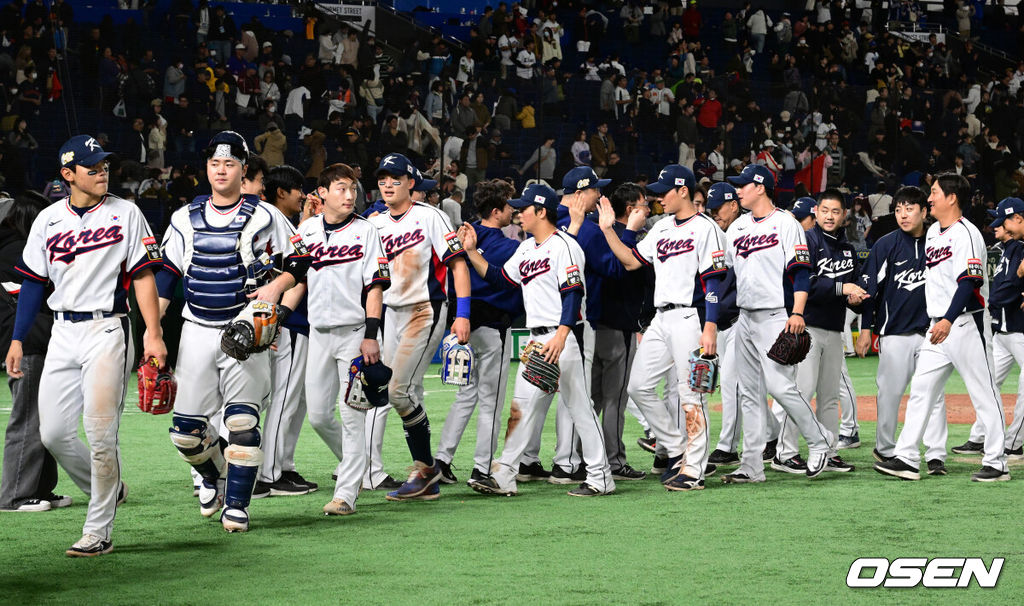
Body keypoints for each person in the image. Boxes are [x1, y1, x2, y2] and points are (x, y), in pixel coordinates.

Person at [5, 135, 166, 555]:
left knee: (100, 433)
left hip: (107, 331)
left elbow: (144, 275)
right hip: (61, 332)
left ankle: (98, 530)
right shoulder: (48, 220)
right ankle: (107, 488)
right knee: (54, 432)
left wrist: (153, 333)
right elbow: (34, 283)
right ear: (67, 174)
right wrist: (18, 338)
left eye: (104, 166)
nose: (102, 173)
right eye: (92, 167)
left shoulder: (126, 213)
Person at [157, 131, 311, 532]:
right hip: (196, 329)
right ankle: (213, 476)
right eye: (214, 164)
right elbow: (167, 275)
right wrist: (152, 331)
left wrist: (276, 288)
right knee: (186, 433)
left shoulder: (266, 215)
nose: (221, 170)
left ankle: (237, 506)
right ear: (206, 169)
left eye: (230, 164)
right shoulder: (182, 218)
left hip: (246, 327)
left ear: (244, 170)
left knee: (242, 422)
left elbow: (298, 262)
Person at [460, 183, 615, 497]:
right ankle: (504, 474)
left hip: (565, 336)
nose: (518, 215)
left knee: (579, 407)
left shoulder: (564, 246)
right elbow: (501, 279)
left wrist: (561, 334)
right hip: (535, 340)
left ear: (541, 211)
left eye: (523, 209)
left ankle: (601, 477)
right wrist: (472, 252)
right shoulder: (527, 247)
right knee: (521, 408)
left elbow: (573, 292)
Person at [874, 174, 1010, 482]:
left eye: (934, 192)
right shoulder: (934, 231)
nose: (929, 197)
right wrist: (940, 320)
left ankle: (997, 460)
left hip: (965, 322)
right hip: (938, 327)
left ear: (952, 197)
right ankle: (907, 458)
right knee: (921, 390)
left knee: (983, 392)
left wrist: (948, 318)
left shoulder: (967, 233)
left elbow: (970, 281)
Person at [598, 166, 726, 490]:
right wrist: (608, 230)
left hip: (689, 317)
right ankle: (675, 445)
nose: (658, 197)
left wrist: (710, 326)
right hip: (660, 318)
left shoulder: (705, 228)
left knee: (690, 394)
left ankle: (694, 470)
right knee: (637, 386)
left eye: (664, 191)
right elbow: (630, 261)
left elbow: (714, 281)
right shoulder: (662, 228)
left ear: (683, 191)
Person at [719, 164, 837, 484]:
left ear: (760, 187)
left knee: (780, 387)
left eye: (743, 185)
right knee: (750, 393)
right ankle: (752, 466)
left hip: (775, 316)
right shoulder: (738, 227)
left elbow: (800, 271)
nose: (738, 190)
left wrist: (797, 313)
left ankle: (819, 441)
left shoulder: (786, 223)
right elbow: (726, 275)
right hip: (744, 318)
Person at [364, 153, 472, 501]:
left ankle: (425, 469)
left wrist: (463, 313)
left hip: (424, 310)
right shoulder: (375, 224)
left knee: (397, 391)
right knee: (397, 391)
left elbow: (458, 265)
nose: (388, 184)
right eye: (383, 178)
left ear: (411, 182)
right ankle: (427, 476)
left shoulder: (431, 217)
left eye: (395, 178)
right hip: (390, 313)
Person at [298, 163, 390, 515]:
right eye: (340, 188)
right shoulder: (306, 230)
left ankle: (346, 493)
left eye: (352, 188)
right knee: (319, 415)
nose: (349, 195)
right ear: (322, 193)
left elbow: (375, 286)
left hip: (353, 332)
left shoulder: (366, 232)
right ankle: (357, 464)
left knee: (352, 415)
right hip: (318, 333)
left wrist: (371, 335)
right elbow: (296, 277)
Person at [433, 179, 524, 484]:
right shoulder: (508, 246)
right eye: (510, 204)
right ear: (497, 211)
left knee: (464, 396)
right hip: (492, 326)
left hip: (462, 323)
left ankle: (442, 461)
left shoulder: (462, 234)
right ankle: (482, 468)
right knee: (491, 401)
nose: (513, 209)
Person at [855, 187, 950, 468]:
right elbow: (868, 290)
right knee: (890, 393)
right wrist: (865, 330)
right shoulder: (886, 244)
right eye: (898, 209)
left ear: (924, 211)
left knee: (934, 395)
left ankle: (935, 454)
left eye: (909, 208)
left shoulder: (939, 241)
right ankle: (885, 448)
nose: (903, 214)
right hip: (894, 332)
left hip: (930, 332)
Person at [772, 189, 861, 474]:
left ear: (844, 215)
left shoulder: (848, 250)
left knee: (829, 395)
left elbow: (853, 284)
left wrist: (854, 295)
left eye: (836, 211)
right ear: (816, 212)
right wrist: (841, 288)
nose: (830, 216)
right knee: (801, 391)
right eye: (825, 211)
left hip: (834, 329)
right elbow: (807, 282)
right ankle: (784, 453)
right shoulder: (806, 240)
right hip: (807, 326)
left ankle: (830, 450)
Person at [0, 192, 68, 513]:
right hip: (26, 343)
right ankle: (14, 495)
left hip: (32, 339)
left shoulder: (12, 247)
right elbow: (37, 300)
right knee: (28, 417)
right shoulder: (16, 251)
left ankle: (40, 488)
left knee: (46, 417)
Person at [254, 165, 319, 497]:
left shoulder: (277, 226)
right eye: (299, 190)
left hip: (291, 323)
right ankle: (269, 472)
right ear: (282, 192)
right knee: (282, 398)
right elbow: (297, 274)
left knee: (294, 399)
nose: (304, 196)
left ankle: (283, 466)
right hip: (288, 324)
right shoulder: (274, 226)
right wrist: (280, 316)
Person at [951, 197, 1024, 461]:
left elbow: (1010, 288)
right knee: (988, 383)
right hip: (1003, 330)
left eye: (1001, 220)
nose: (995, 225)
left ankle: (1014, 443)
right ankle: (980, 437)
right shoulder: (1008, 247)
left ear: (1017, 219)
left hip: (1020, 330)